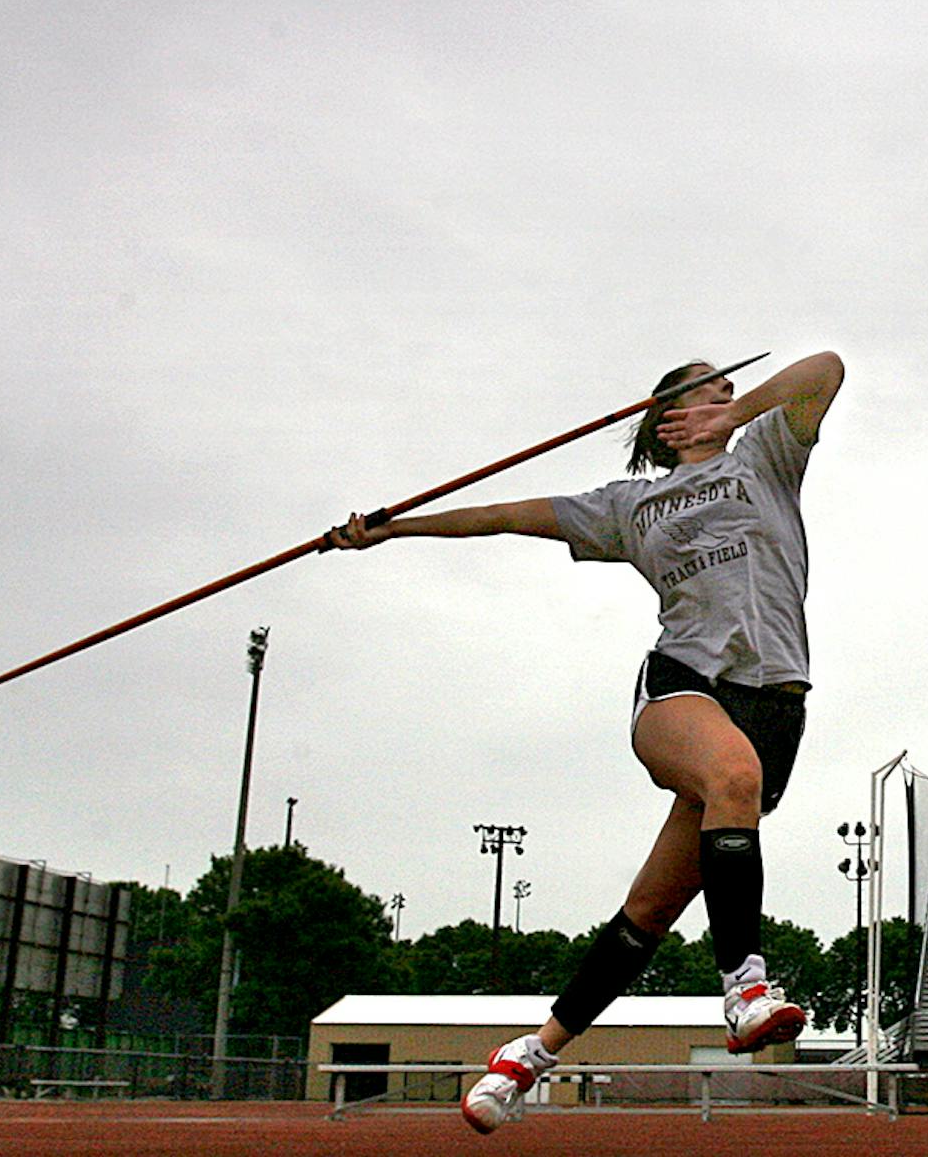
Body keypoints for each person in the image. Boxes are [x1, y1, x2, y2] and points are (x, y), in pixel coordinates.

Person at [328, 350, 844, 1133]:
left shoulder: (768, 454)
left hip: (777, 704)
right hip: (685, 687)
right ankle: (745, 987)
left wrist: (734, 417)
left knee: (649, 912)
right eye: (712, 384)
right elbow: (500, 516)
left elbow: (828, 368)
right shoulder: (628, 505)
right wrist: (392, 530)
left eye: (731, 388)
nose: (728, 389)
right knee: (731, 770)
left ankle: (528, 1056)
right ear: (668, 413)